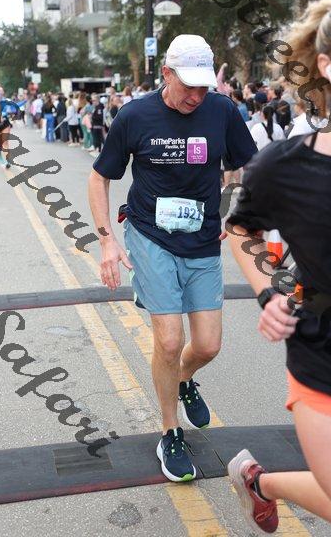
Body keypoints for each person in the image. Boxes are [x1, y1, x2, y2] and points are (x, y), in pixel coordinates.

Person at [226, 0, 331, 536]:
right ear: (327, 63)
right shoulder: (285, 165)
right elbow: (240, 228)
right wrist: (269, 291)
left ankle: (261, 483)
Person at [88, 34, 256, 483]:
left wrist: (232, 207)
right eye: (188, 86)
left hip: (202, 240)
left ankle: (183, 378)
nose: (196, 96)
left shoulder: (222, 111)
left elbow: (244, 165)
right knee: (167, 340)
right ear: (166, 73)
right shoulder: (135, 115)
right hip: (150, 236)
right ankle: (170, 432)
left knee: (207, 345)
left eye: (204, 87)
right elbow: (100, 177)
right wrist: (107, 241)